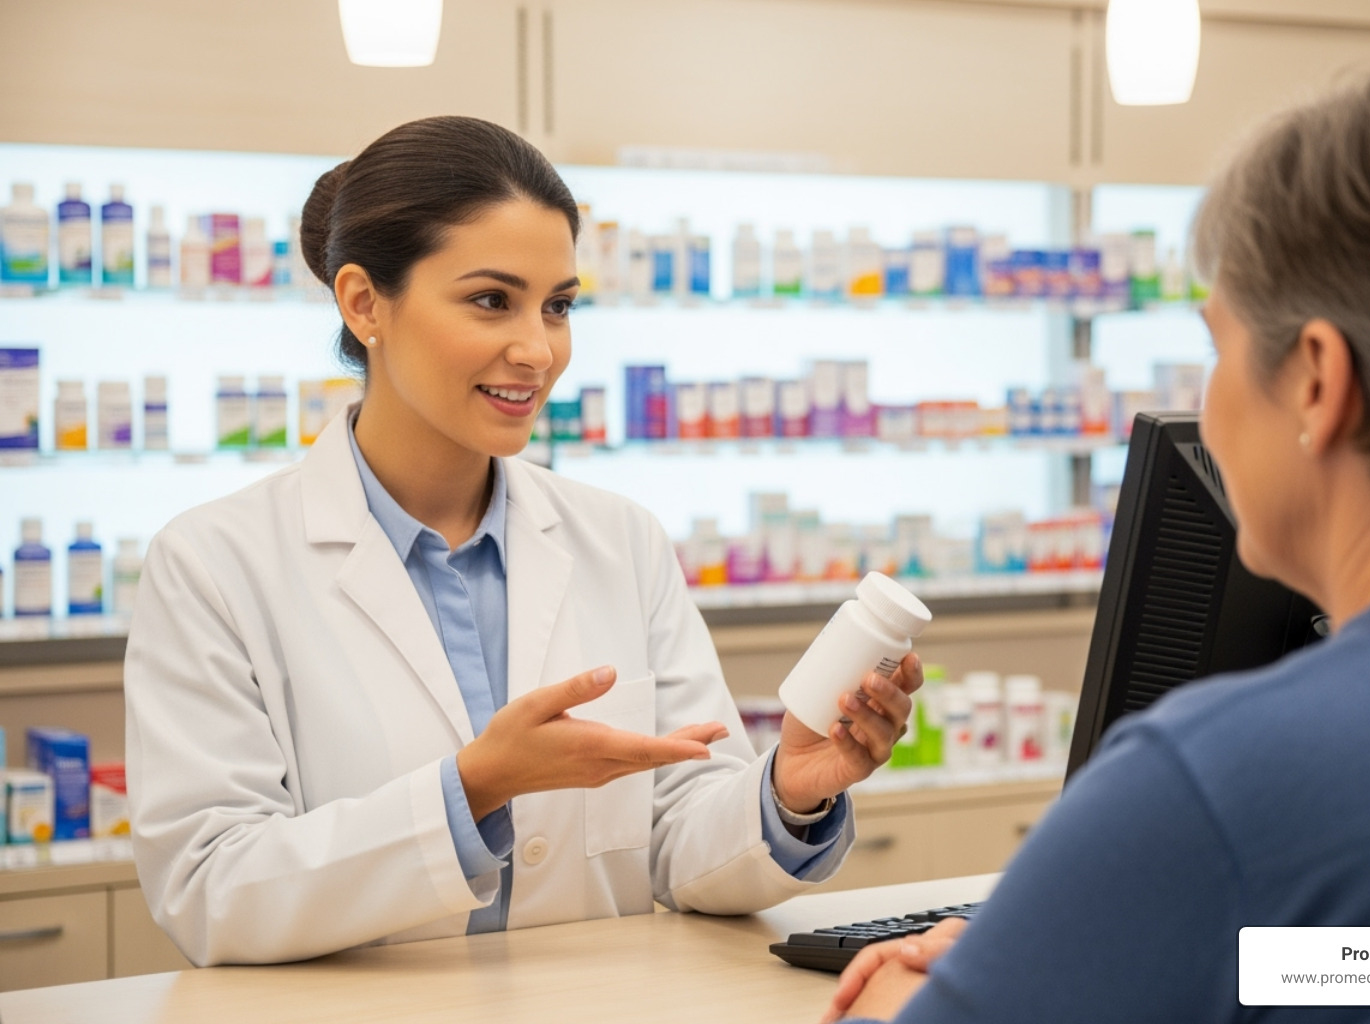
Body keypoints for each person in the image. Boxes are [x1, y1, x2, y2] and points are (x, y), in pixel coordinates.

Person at [825, 58, 1370, 1023]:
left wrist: (917, 992)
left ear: (1319, 383)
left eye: (1218, 346)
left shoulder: (1223, 785)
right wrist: (1115, 948)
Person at [124, 116, 922, 967]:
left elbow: (680, 836)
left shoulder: (621, 540)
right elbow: (211, 889)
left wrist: (785, 794)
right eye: (489, 300)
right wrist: (473, 789)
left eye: (558, 306)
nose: (537, 350)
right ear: (364, 304)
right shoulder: (213, 565)